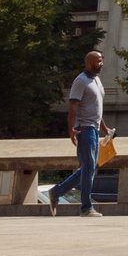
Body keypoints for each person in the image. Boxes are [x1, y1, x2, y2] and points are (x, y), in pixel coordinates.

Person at [48, 50, 107, 216]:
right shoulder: (80, 81)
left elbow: (97, 108)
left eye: (102, 60)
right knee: (89, 167)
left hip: (94, 129)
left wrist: (104, 129)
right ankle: (86, 208)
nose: (101, 64)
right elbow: (73, 107)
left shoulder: (97, 81)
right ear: (90, 62)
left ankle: (57, 192)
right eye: (99, 61)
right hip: (84, 129)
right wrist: (71, 130)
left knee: (89, 167)